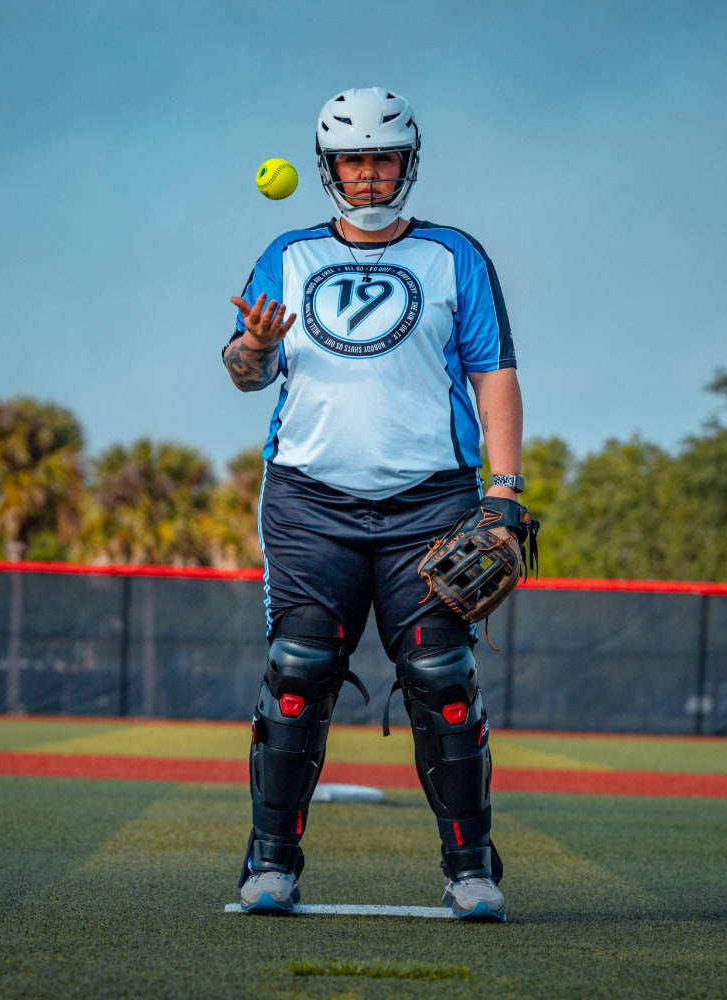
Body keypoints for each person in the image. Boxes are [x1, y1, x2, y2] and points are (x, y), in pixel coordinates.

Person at [223, 86, 525, 922]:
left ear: (408, 161)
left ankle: (470, 869)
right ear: (329, 168)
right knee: (298, 673)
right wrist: (254, 345)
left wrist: (503, 490)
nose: (367, 174)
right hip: (309, 499)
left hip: (431, 503)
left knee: (443, 677)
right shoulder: (285, 254)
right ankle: (269, 864)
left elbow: (493, 374)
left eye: (382, 157)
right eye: (352, 160)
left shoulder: (455, 255)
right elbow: (246, 373)